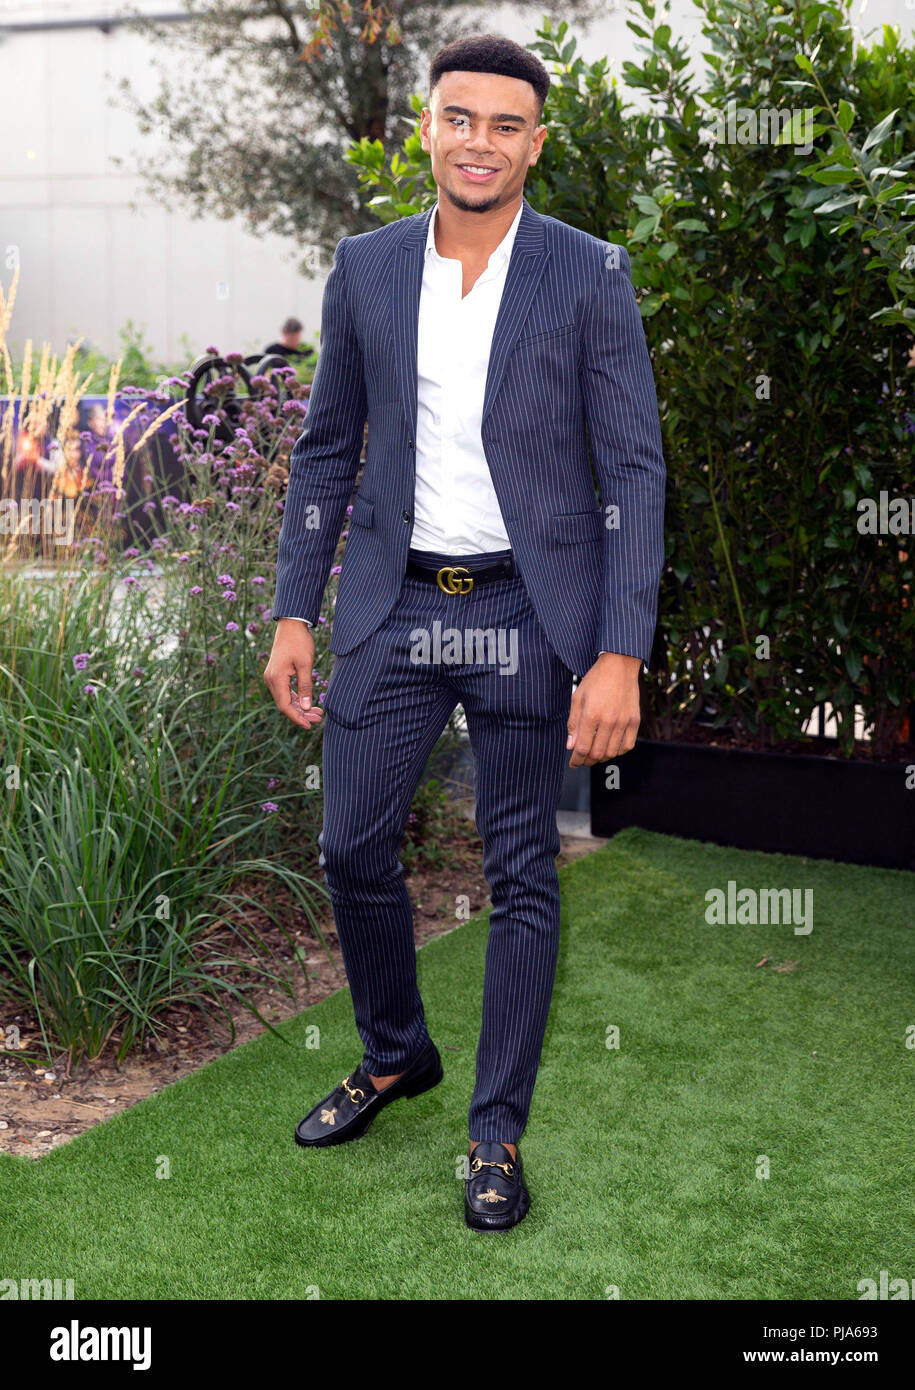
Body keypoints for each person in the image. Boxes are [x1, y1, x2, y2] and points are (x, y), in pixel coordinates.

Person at [264, 33, 666, 1231]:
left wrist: (618, 650)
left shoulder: (589, 272)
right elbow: (327, 447)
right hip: (394, 605)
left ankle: (495, 1134)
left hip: (528, 611)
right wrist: (295, 605)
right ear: (426, 130)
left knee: (520, 872)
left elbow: (634, 469)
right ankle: (396, 1051)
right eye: (459, 118)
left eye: (505, 124)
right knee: (349, 845)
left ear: (535, 143)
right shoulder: (367, 266)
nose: (479, 141)